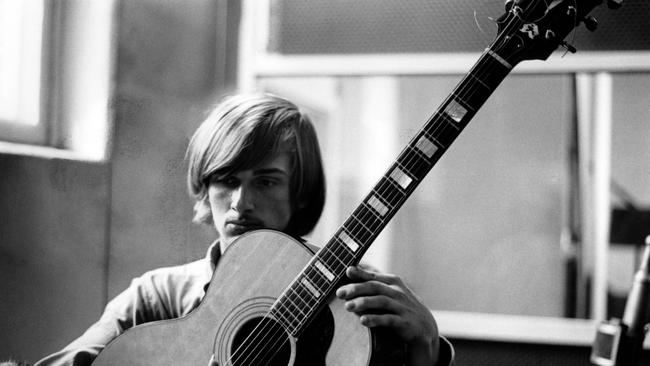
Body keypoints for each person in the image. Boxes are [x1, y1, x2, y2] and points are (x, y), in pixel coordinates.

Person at [35, 93, 454, 366]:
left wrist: (427, 347)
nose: (241, 203)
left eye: (266, 180)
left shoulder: (358, 308)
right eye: (226, 180)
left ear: (301, 193)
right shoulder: (156, 296)